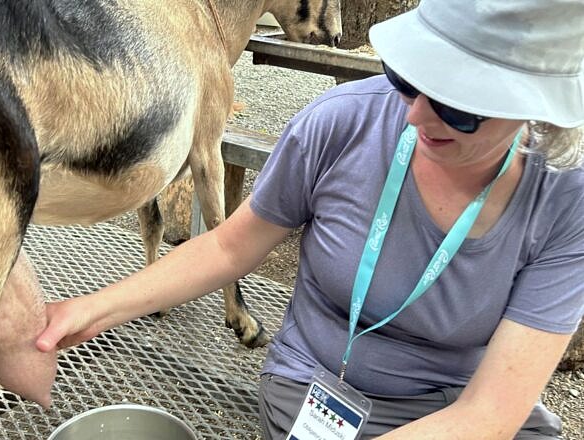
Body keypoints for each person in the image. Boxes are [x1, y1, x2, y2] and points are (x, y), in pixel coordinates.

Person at [36, 0, 584, 438]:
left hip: (458, 401)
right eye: (408, 79)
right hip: (320, 385)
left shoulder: (566, 199)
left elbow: (489, 412)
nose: (415, 115)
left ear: (535, 107)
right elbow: (231, 247)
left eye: (457, 104)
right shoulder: (343, 122)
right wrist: (92, 309)